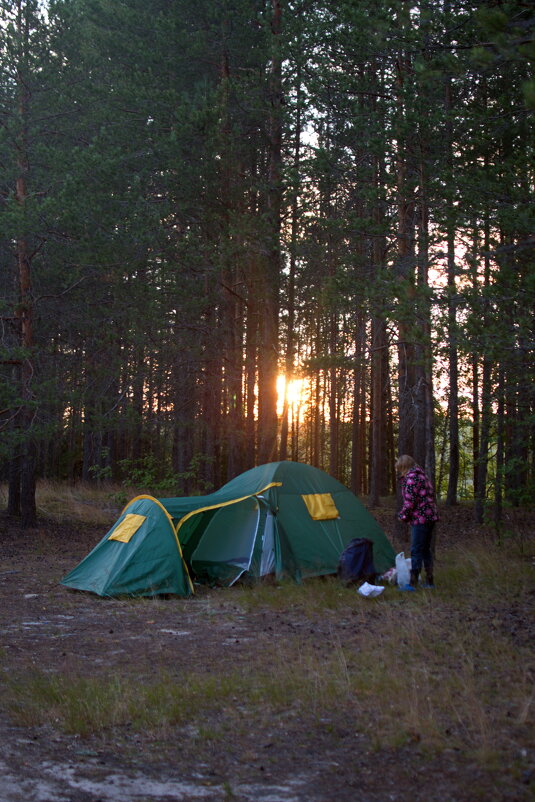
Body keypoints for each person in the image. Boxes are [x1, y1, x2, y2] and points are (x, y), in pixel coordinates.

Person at [395, 455, 438, 590]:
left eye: (399, 468)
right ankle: (430, 581)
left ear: (403, 467)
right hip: (430, 516)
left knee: (416, 549)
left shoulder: (411, 478)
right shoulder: (422, 476)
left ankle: (412, 583)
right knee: (425, 549)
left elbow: (410, 502)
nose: (399, 472)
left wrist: (402, 516)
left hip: (420, 518)